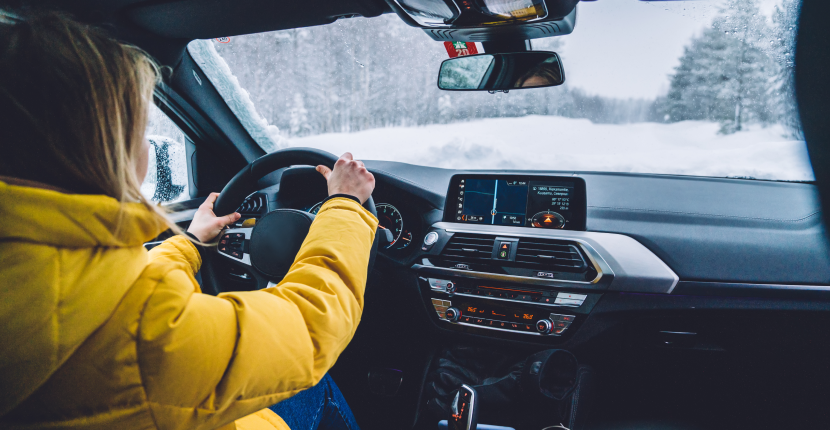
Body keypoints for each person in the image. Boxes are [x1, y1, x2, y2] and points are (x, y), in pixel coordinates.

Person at [0, 10, 378, 430]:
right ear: (105, 145)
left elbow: (109, 294)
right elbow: (312, 325)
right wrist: (344, 204)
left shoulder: (34, 268)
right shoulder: (143, 331)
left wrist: (192, 243)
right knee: (312, 382)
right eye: (139, 129)